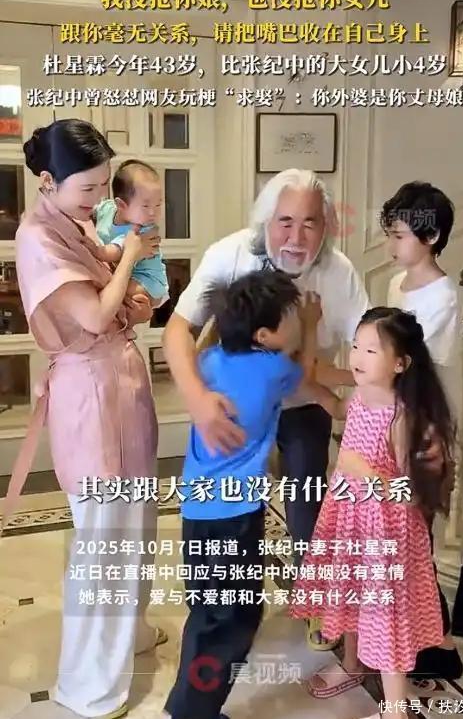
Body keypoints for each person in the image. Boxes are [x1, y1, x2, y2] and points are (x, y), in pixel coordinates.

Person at [163, 168, 369, 649]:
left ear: (326, 226)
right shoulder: (228, 254)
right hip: (243, 406)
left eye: (310, 223)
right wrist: (197, 400)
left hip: (302, 397)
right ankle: (225, 607)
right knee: (235, 509)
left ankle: (313, 599)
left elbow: (364, 342)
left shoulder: (338, 272)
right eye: (285, 222)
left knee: (306, 500)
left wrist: (376, 394)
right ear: (266, 221)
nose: (296, 238)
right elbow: (177, 330)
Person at [1, 119, 166, 719]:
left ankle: (130, 635)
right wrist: (132, 258)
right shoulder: (38, 237)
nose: (99, 200)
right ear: (48, 180)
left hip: (120, 385)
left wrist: (133, 295)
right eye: (89, 188)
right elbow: (95, 316)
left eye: (103, 186)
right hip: (92, 395)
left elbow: (122, 302)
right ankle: (90, 687)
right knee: (104, 542)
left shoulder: (76, 221)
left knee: (134, 528)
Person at [164, 270, 334, 719]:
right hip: (236, 514)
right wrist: (312, 327)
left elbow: (203, 346)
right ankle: (191, 713)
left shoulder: (210, 362)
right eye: (290, 316)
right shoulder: (273, 370)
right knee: (235, 617)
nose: (297, 319)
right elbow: (307, 372)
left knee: (208, 610)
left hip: (198, 509)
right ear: (264, 335)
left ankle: (191, 708)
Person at [290, 307, 455, 719]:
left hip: (387, 532)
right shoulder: (362, 397)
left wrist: (366, 473)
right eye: (356, 346)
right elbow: (337, 405)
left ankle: (396, 710)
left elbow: (412, 494)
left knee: (385, 615)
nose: (357, 357)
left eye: (371, 350)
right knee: (351, 590)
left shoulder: (403, 417)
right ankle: (353, 664)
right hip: (351, 519)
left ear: (400, 363)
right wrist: (311, 385)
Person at [382, 181, 463, 681]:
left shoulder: (444, 298)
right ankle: (423, 639)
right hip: (395, 424)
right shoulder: (398, 285)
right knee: (403, 539)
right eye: (389, 234)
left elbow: (416, 368)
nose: (391, 245)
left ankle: (440, 643)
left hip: (426, 432)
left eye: (399, 236)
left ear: (430, 237)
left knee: (415, 538)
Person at [93, 158, 169, 309]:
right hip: (124, 273)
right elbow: (93, 209)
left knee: (118, 290)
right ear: (121, 205)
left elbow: (114, 252)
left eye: (158, 204)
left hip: (147, 280)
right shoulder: (107, 209)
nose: (153, 212)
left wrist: (94, 250)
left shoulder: (141, 230)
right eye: (145, 206)